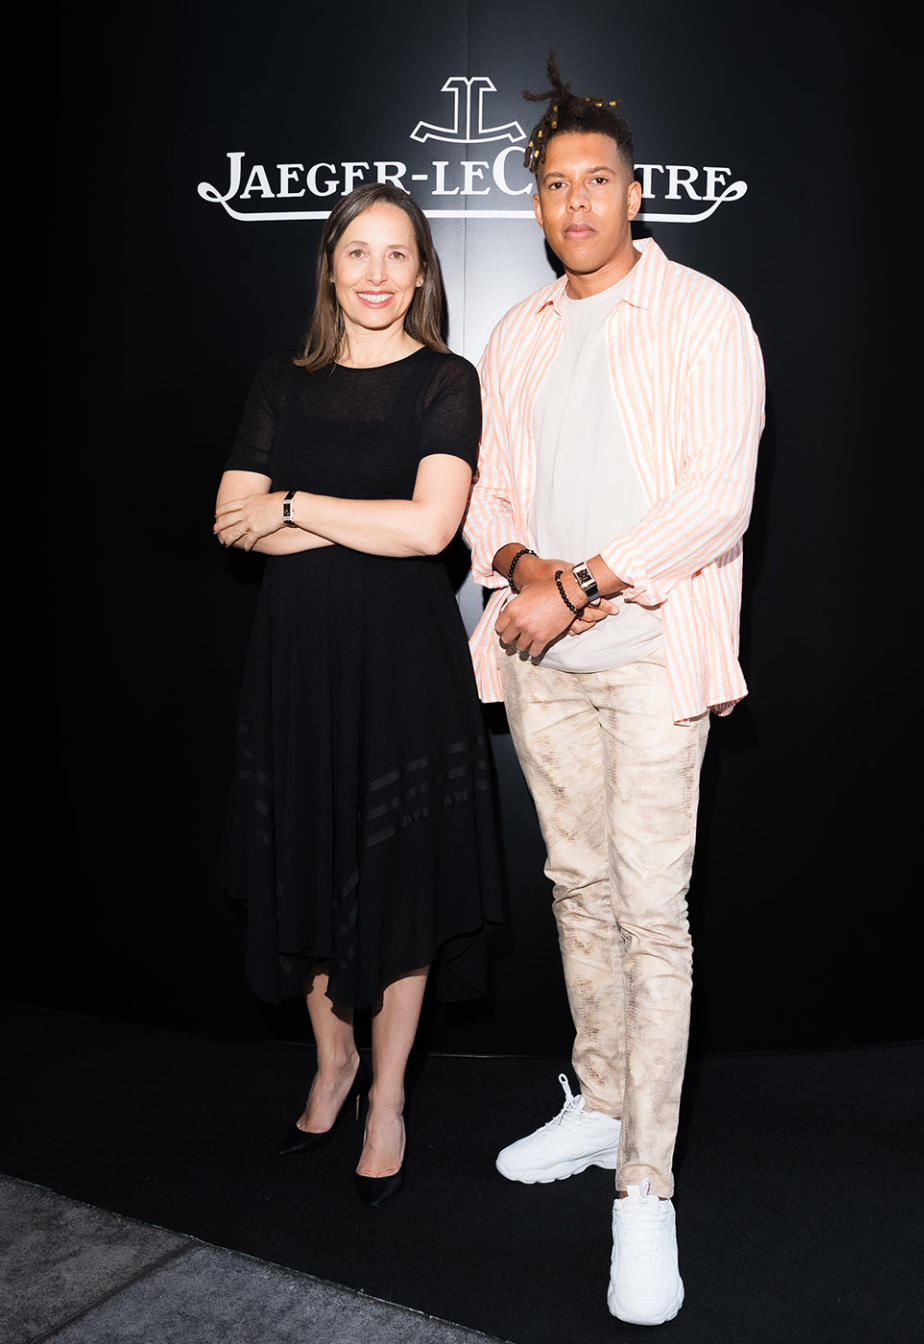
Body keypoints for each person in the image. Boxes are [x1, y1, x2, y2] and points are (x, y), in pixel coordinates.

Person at [463, 55, 764, 1325]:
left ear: (637, 197)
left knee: (654, 915)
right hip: (542, 663)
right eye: (554, 185)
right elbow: (490, 497)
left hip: (648, 660)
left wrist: (577, 582)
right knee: (575, 891)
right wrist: (525, 570)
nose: (575, 202)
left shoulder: (703, 314)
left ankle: (648, 1189)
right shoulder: (518, 333)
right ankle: (598, 1103)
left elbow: (715, 500)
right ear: (534, 207)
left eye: (598, 181)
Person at [214, 182, 502, 1208]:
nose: (377, 274)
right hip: (296, 664)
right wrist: (341, 515)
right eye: (358, 254)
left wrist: (291, 503)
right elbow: (228, 519)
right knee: (309, 864)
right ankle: (330, 1065)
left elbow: (429, 532)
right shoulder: (281, 384)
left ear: (421, 273)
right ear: (331, 268)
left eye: (397, 256)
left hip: (402, 668)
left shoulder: (445, 380)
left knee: (398, 881)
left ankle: (387, 1098)